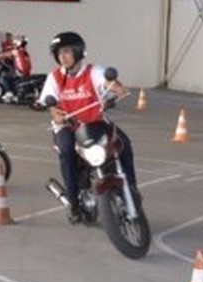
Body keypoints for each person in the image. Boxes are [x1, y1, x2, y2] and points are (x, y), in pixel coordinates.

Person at [38, 31, 139, 223]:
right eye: (59, 53)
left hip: (95, 122)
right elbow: (49, 103)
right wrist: (55, 113)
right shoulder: (55, 77)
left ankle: (132, 190)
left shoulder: (92, 71)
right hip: (68, 126)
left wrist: (117, 88)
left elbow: (108, 81)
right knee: (67, 152)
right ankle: (74, 204)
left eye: (67, 51)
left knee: (123, 144)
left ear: (78, 51)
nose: (63, 57)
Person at [0, 35, 32, 101]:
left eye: (16, 42)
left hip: (19, 72)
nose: (14, 43)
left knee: (3, 77)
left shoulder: (16, 51)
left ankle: (9, 92)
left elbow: (5, 55)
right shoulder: (24, 51)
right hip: (25, 72)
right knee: (9, 73)